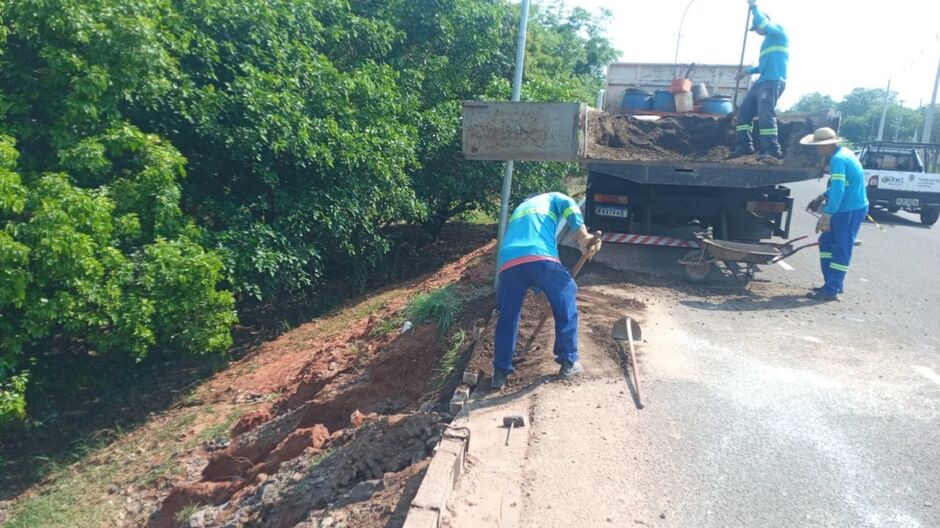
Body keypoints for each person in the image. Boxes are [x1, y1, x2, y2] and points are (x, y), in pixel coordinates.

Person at [492, 192, 600, 389]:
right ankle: (568, 361)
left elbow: (525, 268)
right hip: (541, 256)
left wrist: (541, 296)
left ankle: (499, 373)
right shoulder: (553, 197)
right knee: (567, 292)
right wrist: (583, 237)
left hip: (507, 264)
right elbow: (569, 205)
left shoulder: (519, 211)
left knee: (507, 316)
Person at [802, 128, 869, 301]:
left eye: (819, 146)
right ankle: (832, 283)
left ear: (828, 145)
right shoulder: (844, 154)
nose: (817, 149)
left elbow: (839, 188)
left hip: (849, 210)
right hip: (848, 208)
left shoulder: (838, 160)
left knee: (842, 247)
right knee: (826, 243)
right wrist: (823, 196)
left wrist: (828, 213)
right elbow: (842, 184)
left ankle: (832, 289)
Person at [730, 0, 789, 163]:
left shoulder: (778, 33)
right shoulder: (766, 42)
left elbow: (764, 23)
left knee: (765, 114)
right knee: (744, 112)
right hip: (761, 82)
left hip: (772, 82)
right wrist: (746, 72)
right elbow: (763, 66)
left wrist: (754, 7)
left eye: (755, 28)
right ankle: (744, 145)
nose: (756, 32)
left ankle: (771, 149)